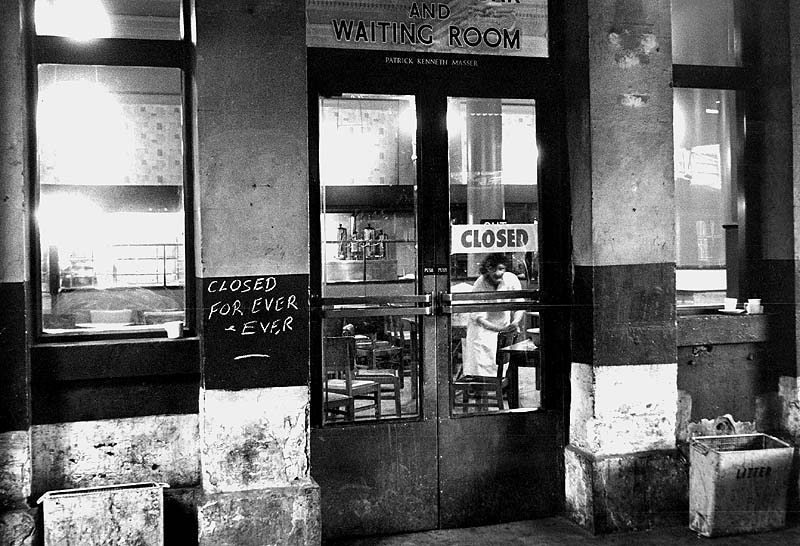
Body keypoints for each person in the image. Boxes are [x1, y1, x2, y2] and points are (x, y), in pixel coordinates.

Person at [461, 253, 524, 378]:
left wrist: (515, 322)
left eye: (501, 269)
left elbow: (519, 305)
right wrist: (498, 329)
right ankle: (481, 392)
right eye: (492, 269)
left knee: (501, 365)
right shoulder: (480, 283)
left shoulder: (511, 280)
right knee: (480, 366)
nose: (497, 273)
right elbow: (478, 316)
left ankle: (501, 388)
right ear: (486, 270)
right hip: (481, 330)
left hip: (503, 328)